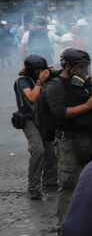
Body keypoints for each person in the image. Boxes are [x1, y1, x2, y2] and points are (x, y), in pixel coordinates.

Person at [41, 48, 92, 223]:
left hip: (90, 138)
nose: (84, 71)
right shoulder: (55, 86)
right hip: (69, 142)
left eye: (85, 67)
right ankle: (65, 227)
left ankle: (91, 223)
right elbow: (60, 113)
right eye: (80, 67)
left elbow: (91, 106)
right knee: (69, 184)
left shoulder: (85, 84)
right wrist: (88, 105)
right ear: (67, 67)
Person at [15, 54, 58, 199]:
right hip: (29, 120)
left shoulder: (42, 78)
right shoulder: (23, 81)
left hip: (44, 119)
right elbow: (32, 97)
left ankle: (50, 181)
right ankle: (33, 187)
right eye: (39, 70)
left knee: (51, 149)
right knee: (38, 150)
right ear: (33, 70)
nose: (42, 72)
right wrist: (40, 81)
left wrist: (54, 75)